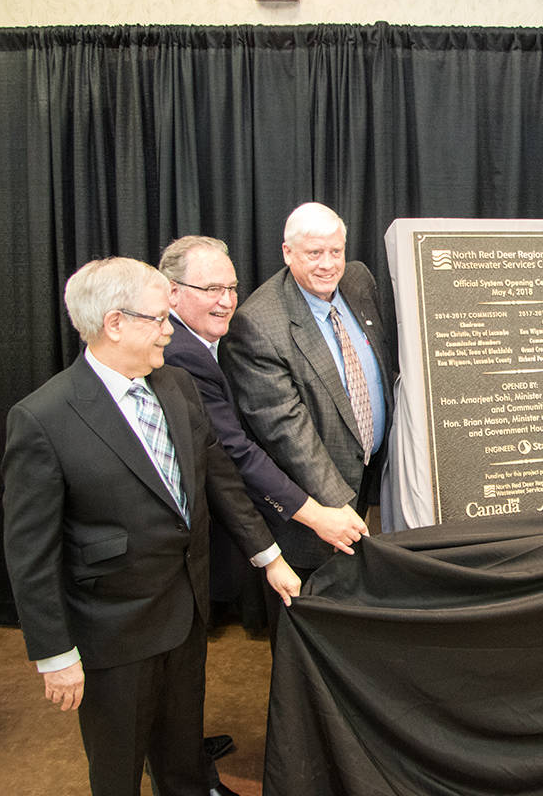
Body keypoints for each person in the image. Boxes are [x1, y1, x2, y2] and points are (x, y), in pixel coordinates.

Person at [1, 257, 300, 796]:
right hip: (112, 634)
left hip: (186, 615)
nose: (170, 331)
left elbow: (221, 481)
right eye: (160, 319)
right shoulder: (43, 418)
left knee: (182, 758)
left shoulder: (177, 385)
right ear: (115, 323)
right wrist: (55, 654)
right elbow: (31, 553)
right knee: (117, 771)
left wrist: (268, 556)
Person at [159, 235, 370, 791]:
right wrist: (315, 513)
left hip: (212, 527)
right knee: (175, 660)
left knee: (183, 661)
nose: (228, 299)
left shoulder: (200, 342)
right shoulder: (180, 355)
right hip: (176, 541)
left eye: (231, 286)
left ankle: (182, 749)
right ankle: (181, 771)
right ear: (172, 293)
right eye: (211, 288)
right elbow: (236, 453)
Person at [219, 204, 395, 608]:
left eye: (336, 251)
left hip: (370, 482)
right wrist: (337, 508)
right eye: (314, 253)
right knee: (310, 616)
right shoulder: (258, 324)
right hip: (314, 512)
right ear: (288, 252)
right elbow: (287, 432)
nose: (328, 264)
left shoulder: (358, 280)